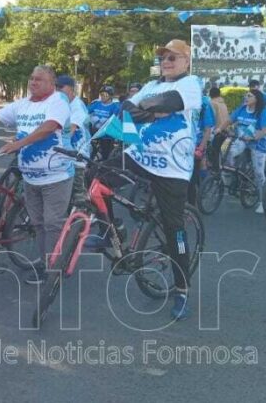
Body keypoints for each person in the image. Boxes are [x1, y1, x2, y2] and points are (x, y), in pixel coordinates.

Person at [106, 39, 201, 320]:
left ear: (186, 62)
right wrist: (153, 109)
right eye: (164, 57)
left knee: (176, 232)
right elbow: (125, 109)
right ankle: (114, 231)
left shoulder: (191, 83)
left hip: (173, 167)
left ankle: (182, 288)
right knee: (96, 177)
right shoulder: (153, 84)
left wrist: (147, 108)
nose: (167, 61)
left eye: (174, 57)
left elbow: (169, 102)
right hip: (140, 154)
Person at [0, 65, 74, 285]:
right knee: (38, 223)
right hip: (31, 178)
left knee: (52, 223)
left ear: (51, 83)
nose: (33, 82)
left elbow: (49, 127)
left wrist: (19, 143)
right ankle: (46, 262)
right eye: (31, 78)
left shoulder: (57, 101)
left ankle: (53, 272)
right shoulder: (22, 105)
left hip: (56, 177)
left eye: (39, 79)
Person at [228, 89, 266, 214]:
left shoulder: (263, 112)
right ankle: (237, 180)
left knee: (258, 172)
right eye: (245, 95)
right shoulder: (241, 109)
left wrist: (253, 137)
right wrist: (220, 128)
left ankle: (263, 202)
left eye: (249, 96)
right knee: (229, 155)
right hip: (242, 141)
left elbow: (265, 130)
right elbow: (229, 120)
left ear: (257, 99)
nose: (246, 97)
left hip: (258, 145)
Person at [56, 74, 91, 204]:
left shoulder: (77, 106)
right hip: (64, 151)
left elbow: (70, 130)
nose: (57, 90)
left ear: (71, 89)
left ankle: (85, 216)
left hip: (78, 153)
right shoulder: (59, 104)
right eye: (56, 87)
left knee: (78, 194)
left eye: (61, 87)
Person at [188, 96, 215, 205]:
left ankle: (192, 205)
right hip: (182, 145)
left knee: (192, 179)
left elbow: (207, 130)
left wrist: (201, 148)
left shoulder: (204, 105)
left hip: (197, 145)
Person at [88, 85, 119, 159]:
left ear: (110, 96)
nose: (102, 96)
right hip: (94, 133)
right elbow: (85, 112)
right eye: (101, 94)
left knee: (105, 154)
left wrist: (106, 121)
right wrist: (91, 118)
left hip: (106, 135)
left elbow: (115, 121)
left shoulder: (115, 107)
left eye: (105, 94)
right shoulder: (96, 104)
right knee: (92, 153)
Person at [207, 87, 230, 171]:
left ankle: (215, 173)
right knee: (217, 152)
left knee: (213, 153)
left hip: (217, 131)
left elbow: (210, 119)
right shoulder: (223, 103)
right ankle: (218, 170)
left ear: (210, 94)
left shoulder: (212, 103)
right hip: (225, 130)